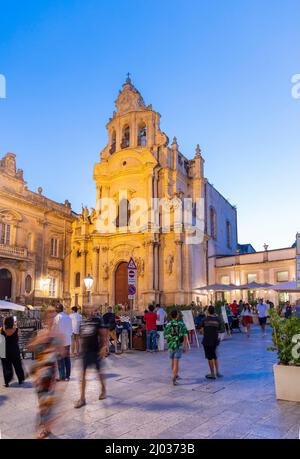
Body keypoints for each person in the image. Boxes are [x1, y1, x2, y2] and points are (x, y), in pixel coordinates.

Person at [28, 307, 64, 439]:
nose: (52, 320)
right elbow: (32, 348)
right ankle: (46, 426)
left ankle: (45, 428)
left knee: (46, 401)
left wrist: (55, 346)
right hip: (39, 369)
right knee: (41, 400)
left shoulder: (58, 335)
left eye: (54, 318)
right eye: (50, 317)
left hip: (49, 371)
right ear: (46, 318)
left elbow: (62, 353)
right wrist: (38, 341)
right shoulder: (41, 333)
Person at [74, 305, 107, 408]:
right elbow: (81, 335)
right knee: (82, 375)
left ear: (94, 309)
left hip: (95, 351)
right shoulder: (83, 322)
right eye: (87, 308)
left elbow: (104, 334)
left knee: (99, 372)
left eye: (91, 308)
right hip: (85, 352)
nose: (89, 310)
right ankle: (82, 398)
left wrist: (103, 347)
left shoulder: (98, 321)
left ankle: (103, 389)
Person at [164, 309, 188, 385]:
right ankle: (174, 378)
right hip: (178, 345)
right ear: (177, 316)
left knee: (172, 361)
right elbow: (185, 335)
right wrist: (185, 345)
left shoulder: (168, 325)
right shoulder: (181, 324)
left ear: (171, 316)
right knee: (176, 362)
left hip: (171, 345)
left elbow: (166, 336)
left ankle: (175, 374)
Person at [1, 316, 25, 387]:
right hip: (14, 349)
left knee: (6, 366)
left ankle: (7, 381)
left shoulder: (1, 329)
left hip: (4, 350)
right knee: (17, 365)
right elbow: (19, 335)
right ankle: (20, 379)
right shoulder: (17, 330)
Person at [201, 305, 222, 380]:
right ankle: (217, 372)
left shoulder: (204, 320)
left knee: (210, 357)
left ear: (208, 311)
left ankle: (212, 373)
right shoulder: (217, 320)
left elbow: (201, 331)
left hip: (207, 341)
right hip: (215, 340)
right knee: (215, 356)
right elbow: (219, 329)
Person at [53, 303, 73, 381]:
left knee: (60, 359)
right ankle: (67, 376)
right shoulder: (68, 317)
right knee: (67, 358)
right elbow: (71, 329)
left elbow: (55, 330)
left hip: (60, 341)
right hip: (67, 340)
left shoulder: (57, 318)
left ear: (57, 309)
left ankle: (62, 376)